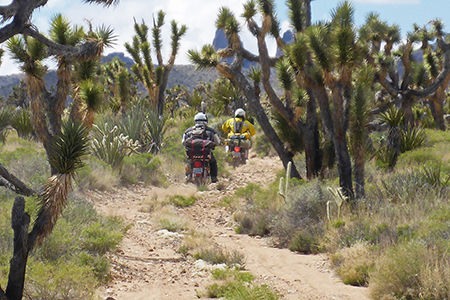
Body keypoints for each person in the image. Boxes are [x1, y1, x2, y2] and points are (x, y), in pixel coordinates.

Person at [182, 112, 220, 183]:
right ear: (205, 120)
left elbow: (183, 142)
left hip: (192, 153)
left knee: (190, 161)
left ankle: (188, 176)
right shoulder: (210, 130)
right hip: (205, 154)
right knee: (213, 162)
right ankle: (213, 177)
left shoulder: (189, 131)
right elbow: (218, 142)